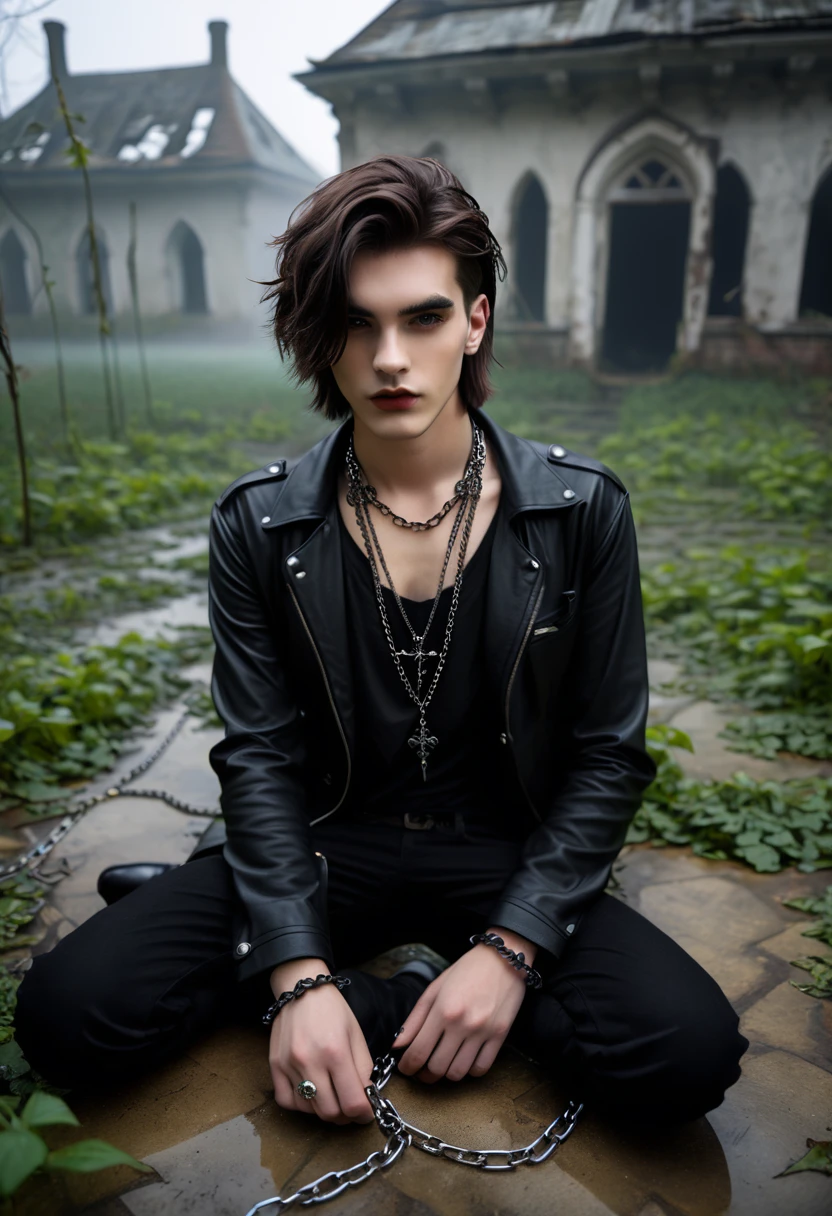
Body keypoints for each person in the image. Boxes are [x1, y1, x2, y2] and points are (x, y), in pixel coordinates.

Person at [15, 155, 748, 1128]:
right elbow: (261, 752)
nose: (389, 357)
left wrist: (511, 951)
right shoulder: (259, 522)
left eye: (424, 317)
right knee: (69, 1017)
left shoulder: (579, 511)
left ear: (475, 321)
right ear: (320, 342)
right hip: (326, 839)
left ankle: (397, 1002)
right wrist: (297, 965)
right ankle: (337, 985)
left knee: (684, 1054)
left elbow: (607, 752)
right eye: (355, 324)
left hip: (500, 846)